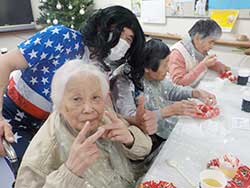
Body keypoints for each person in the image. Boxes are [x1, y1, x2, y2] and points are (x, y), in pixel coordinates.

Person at [0, 5, 148, 168]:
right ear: (100, 27)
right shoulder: (61, 38)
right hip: (10, 113)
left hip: (48, 127)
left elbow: (105, 111)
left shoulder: (101, 70)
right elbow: (5, 63)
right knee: (24, 168)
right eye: (118, 33)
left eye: (128, 39)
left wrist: (133, 122)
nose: (121, 42)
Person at [14, 60, 152, 188]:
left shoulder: (106, 116)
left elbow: (145, 149)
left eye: (95, 97)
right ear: (59, 104)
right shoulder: (44, 151)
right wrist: (69, 173)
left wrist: (130, 140)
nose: (88, 108)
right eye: (76, 99)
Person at [111, 39, 217, 140]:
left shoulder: (154, 75)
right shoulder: (123, 82)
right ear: (147, 68)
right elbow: (131, 118)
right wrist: (169, 110)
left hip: (161, 128)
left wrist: (196, 93)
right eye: (165, 64)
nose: (168, 69)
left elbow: (171, 90)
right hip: (146, 139)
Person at [168, 19, 230, 87]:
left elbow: (203, 60)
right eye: (210, 42)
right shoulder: (177, 53)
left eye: (214, 42)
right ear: (197, 38)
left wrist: (219, 66)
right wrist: (203, 65)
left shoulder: (198, 48)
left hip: (193, 88)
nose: (212, 46)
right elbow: (178, 83)